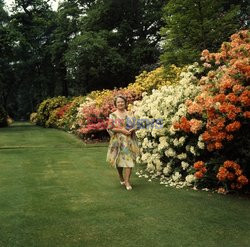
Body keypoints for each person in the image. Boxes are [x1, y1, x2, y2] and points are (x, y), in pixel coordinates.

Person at [106, 95, 139, 190]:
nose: (120, 103)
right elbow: (110, 127)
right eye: (118, 102)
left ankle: (127, 181)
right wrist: (122, 131)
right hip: (117, 141)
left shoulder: (130, 113)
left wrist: (132, 129)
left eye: (122, 102)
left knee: (129, 160)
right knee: (119, 161)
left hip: (129, 140)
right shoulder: (113, 115)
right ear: (116, 104)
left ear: (125, 103)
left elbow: (136, 125)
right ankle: (121, 176)